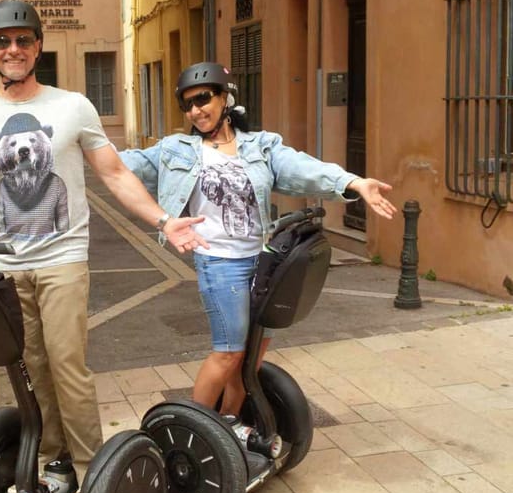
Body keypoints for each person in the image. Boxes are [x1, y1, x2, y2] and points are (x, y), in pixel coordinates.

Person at [0, 0, 207, 489]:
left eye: (23, 40)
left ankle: (94, 472)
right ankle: (53, 459)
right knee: (30, 369)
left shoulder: (72, 107)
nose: (13, 49)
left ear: (38, 46)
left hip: (63, 261)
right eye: (2, 41)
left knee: (67, 365)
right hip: (6, 266)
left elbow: (113, 173)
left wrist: (164, 219)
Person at [120, 61, 396, 418]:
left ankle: (230, 423)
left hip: (263, 262)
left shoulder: (261, 147)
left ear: (225, 98)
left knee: (250, 356)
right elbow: (120, 164)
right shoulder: (175, 151)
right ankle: (192, 430)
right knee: (228, 353)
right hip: (219, 263)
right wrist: (73, 149)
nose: (195, 110)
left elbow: (302, 167)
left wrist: (352, 182)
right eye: (187, 104)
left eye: (203, 99)